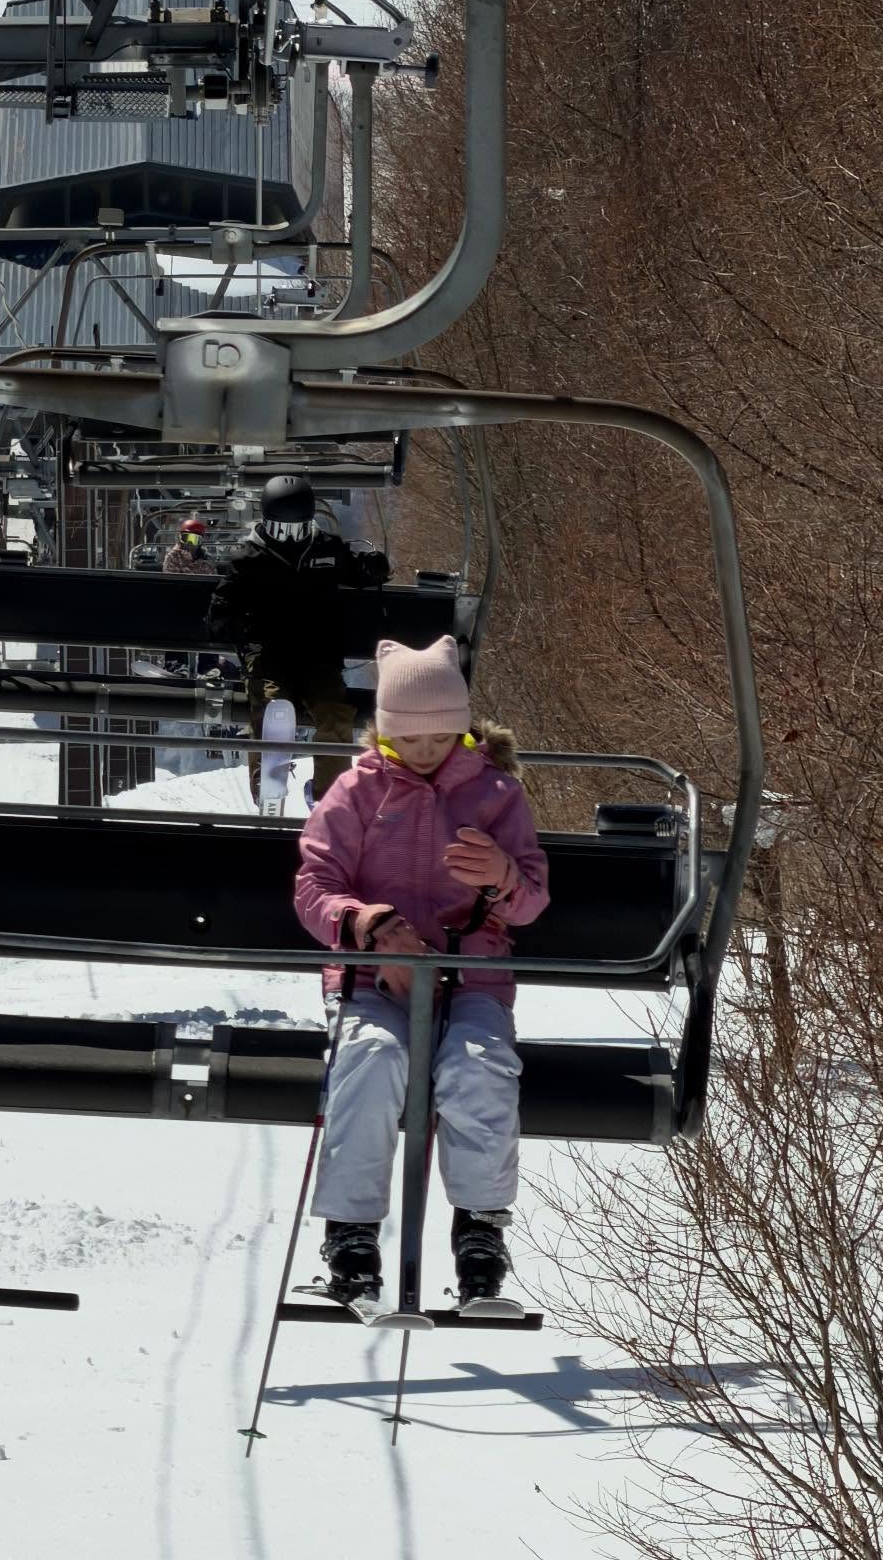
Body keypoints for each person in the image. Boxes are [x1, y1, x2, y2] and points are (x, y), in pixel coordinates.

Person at [295, 633, 550, 1310]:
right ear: (385, 732)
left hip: (471, 977)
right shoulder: (356, 793)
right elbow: (315, 885)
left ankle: (481, 1231)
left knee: (478, 1066)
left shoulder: (496, 795)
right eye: (409, 739)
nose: (425, 752)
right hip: (376, 977)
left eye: (441, 738)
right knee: (370, 1060)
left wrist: (500, 878)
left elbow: (531, 900)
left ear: (463, 730)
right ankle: (351, 1234)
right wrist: (366, 925)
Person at [207, 473, 388, 806]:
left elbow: (355, 569)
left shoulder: (326, 550)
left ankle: (329, 795)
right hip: (269, 655)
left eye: (297, 529)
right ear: (267, 524)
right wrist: (237, 631)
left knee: (334, 712)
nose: (290, 538)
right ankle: (267, 780)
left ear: (310, 523)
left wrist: (372, 568)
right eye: (281, 530)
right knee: (271, 704)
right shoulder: (248, 559)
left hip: (318, 657)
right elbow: (221, 608)